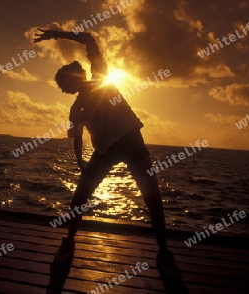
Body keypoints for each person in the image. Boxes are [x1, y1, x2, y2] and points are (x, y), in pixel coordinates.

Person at [34, 29, 181, 277]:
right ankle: (69, 241)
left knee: (152, 198)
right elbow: (77, 136)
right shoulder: (76, 108)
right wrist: (80, 161)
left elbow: (89, 40)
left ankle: (164, 252)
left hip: (130, 143)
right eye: (63, 87)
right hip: (108, 150)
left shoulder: (100, 78)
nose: (64, 90)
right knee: (82, 196)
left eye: (64, 84)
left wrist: (58, 33)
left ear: (73, 79)